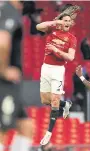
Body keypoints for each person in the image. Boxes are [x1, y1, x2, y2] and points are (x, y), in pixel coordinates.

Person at [36, 8, 78, 148]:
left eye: (68, 21)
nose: (66, 23)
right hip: (46, 68)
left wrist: (56, 50)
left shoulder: (72, 39)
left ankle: (48, 133)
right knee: (44, 100)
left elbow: (70, 57)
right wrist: (56, 22)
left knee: (54, 100)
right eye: (64, 20)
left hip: (58, 70)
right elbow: (38, 26)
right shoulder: (52, 31)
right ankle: (65, 104)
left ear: (71, 23)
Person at [0, 1, 33, 151]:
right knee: (2, 130)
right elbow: (2, 41)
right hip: (4, 83)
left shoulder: (12, 11)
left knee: (26, 126)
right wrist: (3, 69)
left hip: (12, 86)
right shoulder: (8, 10)